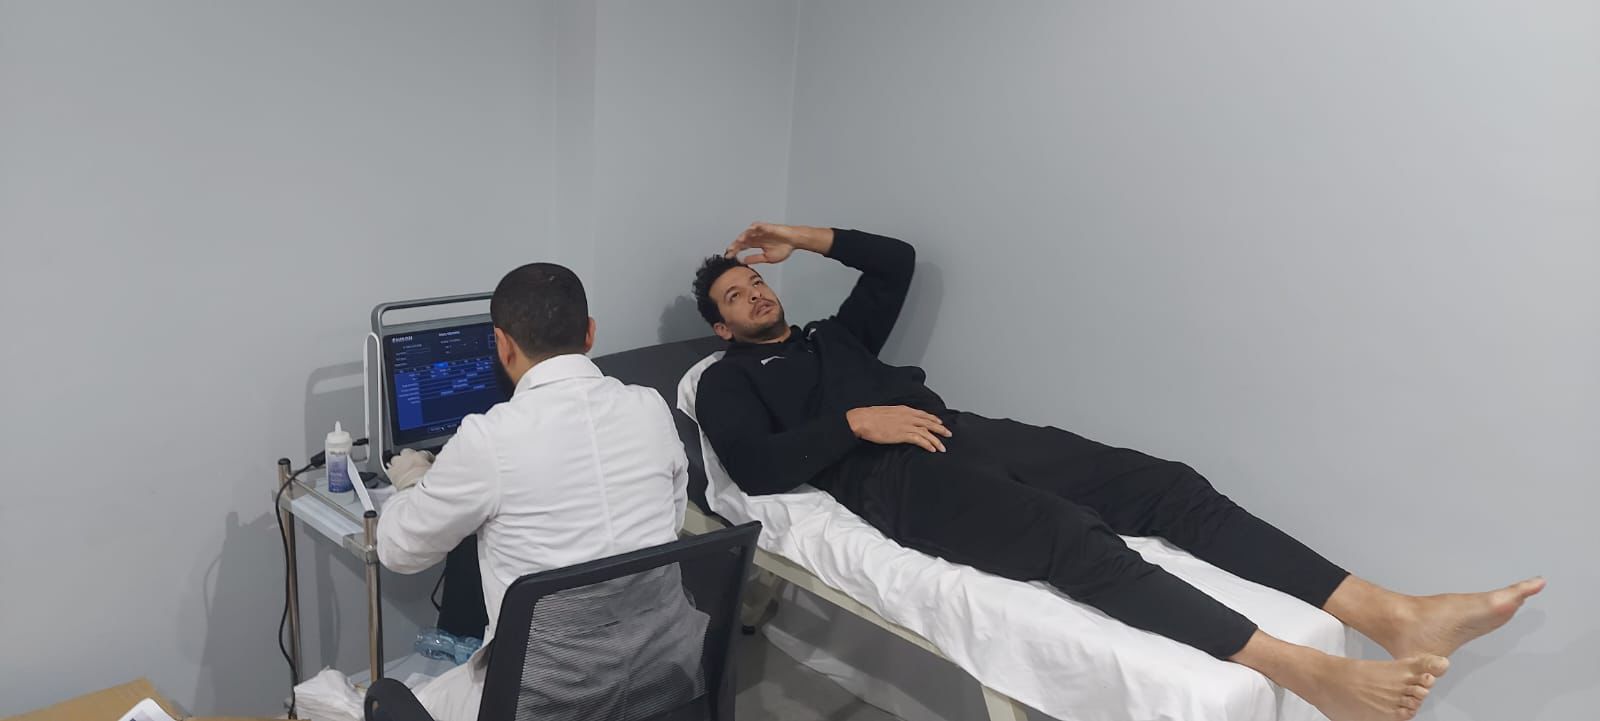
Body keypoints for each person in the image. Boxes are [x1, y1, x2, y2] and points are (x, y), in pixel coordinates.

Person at [689, 222, 1545, 721]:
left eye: (756, 278)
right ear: (721, 328)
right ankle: (1303, 669)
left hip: (965, 431)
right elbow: (753, 467)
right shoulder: (728, 379)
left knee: (1165, 484)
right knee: (1070, 537)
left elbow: (896, 261)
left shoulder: (834, 337)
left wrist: (801, 237)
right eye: (735, 295)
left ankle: (1390, 611)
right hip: (894, 478)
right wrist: (853, 424)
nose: (754, 291)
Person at [377, 263, 704, 721]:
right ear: (590, 333)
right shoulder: (650, 406)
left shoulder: (488, 438)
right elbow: (669, 520)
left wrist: (414, 483)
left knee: (380, 700)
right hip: (664, 682)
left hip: (543, 701)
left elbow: (398, 551)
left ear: (502, 344)